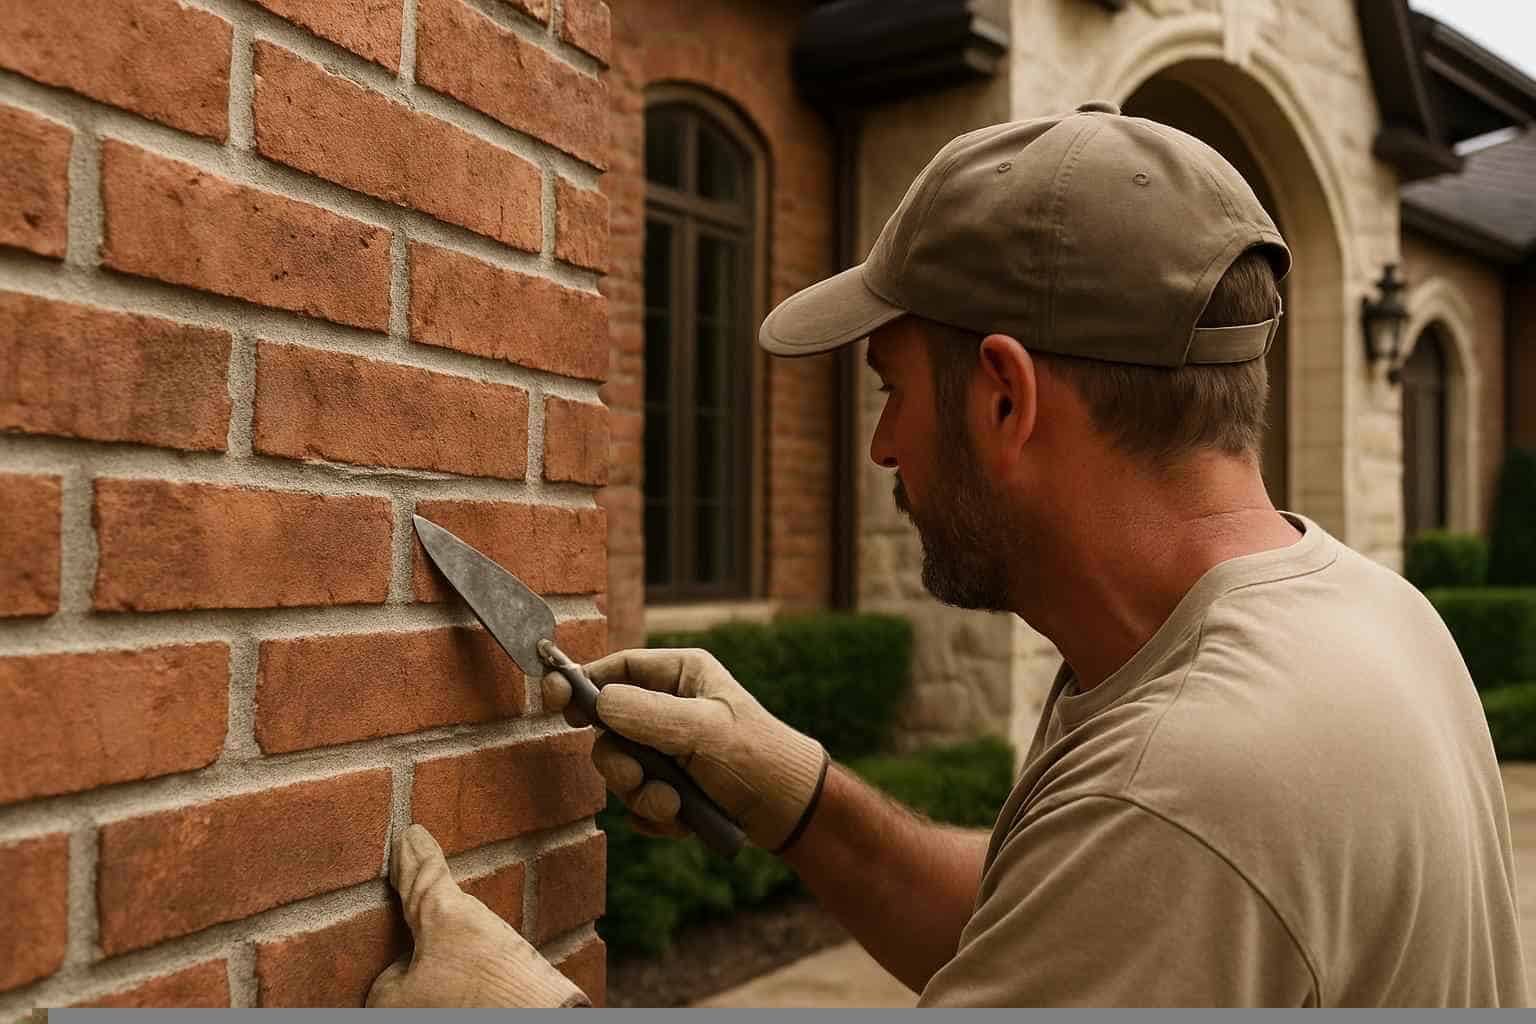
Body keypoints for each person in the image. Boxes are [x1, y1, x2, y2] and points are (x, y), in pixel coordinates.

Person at [366, 102, 1529, 1007]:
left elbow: (1144, 863)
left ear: (1005, 399)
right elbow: (1057, 924)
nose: (882, 445)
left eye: (893, 390)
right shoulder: (1369, 612)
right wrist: (801, 796)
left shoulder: (1183, 788)